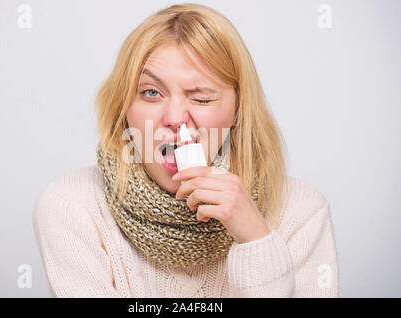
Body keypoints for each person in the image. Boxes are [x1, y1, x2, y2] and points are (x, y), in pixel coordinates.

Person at [33, 3, 339, 297]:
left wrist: (257, 240)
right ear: (122, 106)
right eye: (151, 92)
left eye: (202, 98)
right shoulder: (73, 205)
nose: (175, 118)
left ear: (238, 111)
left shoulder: (301, 212)